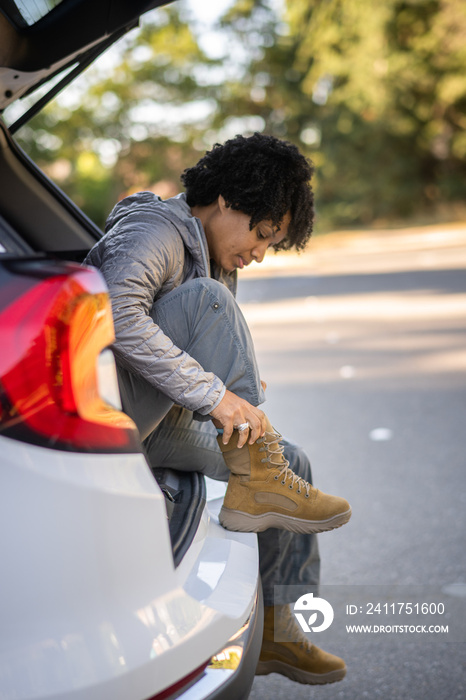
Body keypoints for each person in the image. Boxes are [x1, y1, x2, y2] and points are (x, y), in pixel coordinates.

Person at [85, 132, 350, 686]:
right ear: (227, 199)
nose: (258, 253)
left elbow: (193, 351)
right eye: (261, 234)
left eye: (270, 244)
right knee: (210, 301)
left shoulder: (213, 254)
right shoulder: (152, 228)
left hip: (154, 421)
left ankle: (281, 629)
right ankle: (260, 471)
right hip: (103, 413)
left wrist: (219, 385)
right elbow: (118, 315)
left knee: (293, 465)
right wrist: (215, 393)